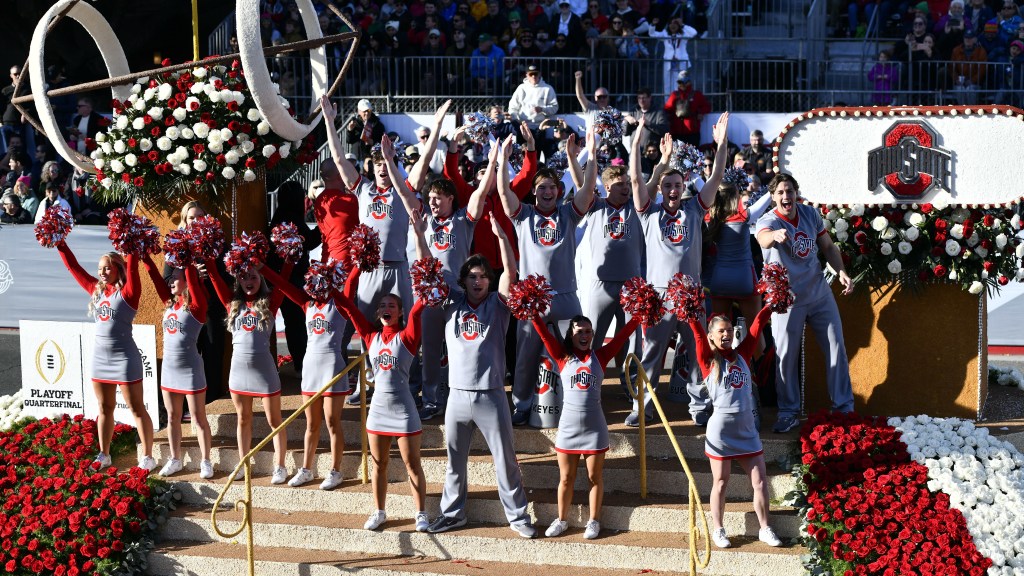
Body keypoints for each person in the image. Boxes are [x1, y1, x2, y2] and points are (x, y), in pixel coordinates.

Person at [427, 211, 537, 538]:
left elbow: (512, 272)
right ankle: (452, 514)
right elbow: (426, 267)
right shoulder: (452, 302)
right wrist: (420, 233)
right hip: (457, 396)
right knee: (454, 463)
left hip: (490, 395)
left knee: (505, 460)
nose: (478, 281)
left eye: (483, 277)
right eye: (473, 276)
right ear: (464, 281)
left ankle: (518, 517)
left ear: (490, 280)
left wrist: (502, 237)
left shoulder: (498, 305)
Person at [628, 113, 730, 427]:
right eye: (667, 185)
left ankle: (699, 406)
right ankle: (642, 405)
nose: (673, 189)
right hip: (658, 296)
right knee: (652, 354)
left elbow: (716, 176)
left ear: (683, 187)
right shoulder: (648, 213)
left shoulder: (694, 209)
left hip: (690, 294)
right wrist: (639, 138)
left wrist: (722, 143)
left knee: (699, 351)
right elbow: (634, 179)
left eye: (677, 185)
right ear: (659, 188)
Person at [498, 130, 598, 426]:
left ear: (559, 190)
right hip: (533, 301)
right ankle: (522, 404)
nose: (547, 192)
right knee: (525, 356)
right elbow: (504, 194)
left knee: (572, 352)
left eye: (552, 187)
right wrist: (502, 162)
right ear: (534, 191)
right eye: (542, 187)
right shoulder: (523, 214)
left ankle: (573, 401)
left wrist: (591, 154)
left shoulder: (569, 214)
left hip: (567, 297)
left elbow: (589, 190)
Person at [337, 225, 429, 532]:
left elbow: (420, 306)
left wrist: (424, 276)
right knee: (378, 465)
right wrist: (352, 267)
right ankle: (379, 511)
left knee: (412, 464)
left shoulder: (408, 336)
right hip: (378, 409)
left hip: (403, 409)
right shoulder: (371, 336)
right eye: (382, 306)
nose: (385, 308)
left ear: (400, 312)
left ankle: (420, 513)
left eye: (391, 305)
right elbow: (348, 305)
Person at [755, 173, 855, 433]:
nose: (786, 196)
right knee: (785, 356)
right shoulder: (768, 220)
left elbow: (828, 247)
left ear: (796, 192)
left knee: (836, 347)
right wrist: (774, 235)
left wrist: (840, 270)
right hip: (786, 299)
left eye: (790, 191)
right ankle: (788, 412)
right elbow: (762, 238)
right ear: (773, 196)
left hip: (818, 292)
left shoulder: (810, 214)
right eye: (780, 192)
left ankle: (844, 408)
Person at [536, 311, 642, 540]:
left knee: (595, 477)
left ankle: (594, 521)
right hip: (568, 429)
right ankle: (562, 520)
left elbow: (621, 338)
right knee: (566, 478)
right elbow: (544, 335)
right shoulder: (562, 356)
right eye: (579, 332)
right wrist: (531, 311)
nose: (584, 336)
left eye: (588, 331)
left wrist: (638, 316)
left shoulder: (601, 356)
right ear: (571, 335)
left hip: (595, 428)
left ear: (593, 334)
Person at [687, 305, 783, 549]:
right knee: (720, 482)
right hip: (721, 431)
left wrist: (772, 302)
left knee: (760, 481)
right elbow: (697, 333)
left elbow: (758, 324)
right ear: (712, 335)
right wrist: (689, 312)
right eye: (721, 331)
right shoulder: (708, 358)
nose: (726, 334)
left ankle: (764, 528)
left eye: (729, 330)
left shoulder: (743, 352)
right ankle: (718, 529)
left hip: (747, 428)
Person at [55, 243, 155, 470]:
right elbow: (74, 268)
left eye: (108, 268)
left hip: (125, 358)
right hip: (100, 359)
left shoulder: (129, 293)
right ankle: (104, 454)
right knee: (104, 408)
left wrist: (129, 241)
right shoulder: (96, 290)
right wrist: (61, 243)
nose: (102, 272)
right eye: (100, 268)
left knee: (136, 407)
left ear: (119, 269)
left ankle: (148, 457)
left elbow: (133, 269)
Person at [262, 262, 360, 490]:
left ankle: (336, 471)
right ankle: (306, 469)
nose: (317, 286)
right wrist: (263, 268)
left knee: (333, 422)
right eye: (314, 281)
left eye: (322, 281)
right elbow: (284, 286)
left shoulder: (339, 303)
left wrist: (357, 263)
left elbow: (351, 283)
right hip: (310, 369)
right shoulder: (307, 304)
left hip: (332, 367)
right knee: (311, 424)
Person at [414, 153, 494, 421]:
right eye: (430, 198)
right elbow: (424, 259)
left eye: (438, 197)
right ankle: (431, 399)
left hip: (459, 297)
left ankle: (457, 397)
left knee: (460, 350)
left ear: (450, 198)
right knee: (431, 349)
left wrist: (493, 159)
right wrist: (418, 233)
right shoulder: (425, 222)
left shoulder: (462, 220)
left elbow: (481, 193)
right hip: (431, 297)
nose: (432, 202)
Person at [206, 255, 290, 483]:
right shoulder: (232, 304)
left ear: (260, 279)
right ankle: (243, 463)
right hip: (238, 372)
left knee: (275, 420)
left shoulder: (270, 303)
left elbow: (283, 282)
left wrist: (288, 261)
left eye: (253, 276)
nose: (249, 280)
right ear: (238, 281)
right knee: (243, 419)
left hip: (264, 372)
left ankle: (280, 465)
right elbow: (214, 279)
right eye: (243, 276)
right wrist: (209, 260)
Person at [140, 260, 214, 479]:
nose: (171, 281)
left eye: (176, 277)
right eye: (171, 277)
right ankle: (175, 459)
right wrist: (145, 259)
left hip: (191, 370)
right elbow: (155, 278)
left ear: (188, 281)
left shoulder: (196, 306)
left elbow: (191, 277)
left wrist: (187, 258)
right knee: (172, 417)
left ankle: (206, 461)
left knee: (198, 417)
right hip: (170, 371)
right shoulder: (169, 303)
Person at [704, 169, 773, 356]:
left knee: (718, 330)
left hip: (719, 280)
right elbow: (768, 197)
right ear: (735, 197)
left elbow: (699, 186)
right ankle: (761, 376)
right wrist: (777, 179)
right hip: (744, 278)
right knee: (755, 331)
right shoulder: (745, 216)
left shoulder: (710, 218)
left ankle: (718, 376)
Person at [649, 17, 700, 97]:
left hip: (681, 62)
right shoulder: (665, 34)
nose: (673, 25)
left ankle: (680, 104)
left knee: (680, 84)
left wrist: (683, 25)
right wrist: (653, 25)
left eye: (675, 23)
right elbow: (652, 34)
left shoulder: (684, 34)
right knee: (667, 84)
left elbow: (694, 33)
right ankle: (668, 104)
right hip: (668, 62)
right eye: (671, 23)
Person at [665, 69, 710, 147]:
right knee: (677, 158)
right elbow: (667, 109)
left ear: (689, 82)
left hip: (692, 133)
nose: (681, 85)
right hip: (676, 132)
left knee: (693, 157)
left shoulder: (696, 95)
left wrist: (700, 112)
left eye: (684, 82)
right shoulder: (674, 95)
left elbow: (707, 107)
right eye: (680, 82)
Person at [508, 65, 559, 132]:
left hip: (541, 126)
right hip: (523, 126)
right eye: (531, 74)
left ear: (539, 74)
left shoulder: (548, 88)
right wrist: (517, 120)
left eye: (535, 74)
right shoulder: (521, 88)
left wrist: (542, 109)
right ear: (527, 75)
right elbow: (512, 107)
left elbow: (555, 107)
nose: (533, 76)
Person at [624, 88, 669, 156]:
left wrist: (648, 124)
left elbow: (664, 130)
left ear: (650, 98)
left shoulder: (658, 112)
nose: (641, 100)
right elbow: (625, 133)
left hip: (651, 154)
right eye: (639, 98)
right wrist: (627, 120)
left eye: (644, 98)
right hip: (635, 152)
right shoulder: (633, 111)